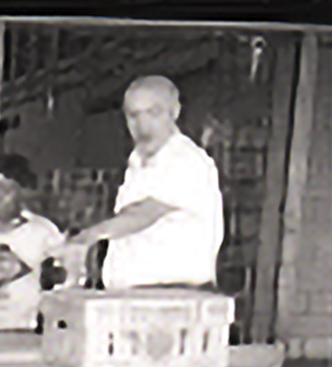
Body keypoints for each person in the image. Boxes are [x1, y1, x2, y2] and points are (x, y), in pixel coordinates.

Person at [48, 75, 224, 289]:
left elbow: (143, 213)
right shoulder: (137, 163)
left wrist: (86, 238)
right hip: (138, 295)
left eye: (153, 113)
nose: (143, 125)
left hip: (172, 294)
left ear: (175, 112)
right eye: (133, 115)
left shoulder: (186, 160)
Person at [0, 154, 67, 333]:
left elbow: (64, 276)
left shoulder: (43, 231)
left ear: (21, 191)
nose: (0, 197)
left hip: (26, 328)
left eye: (8, 190)